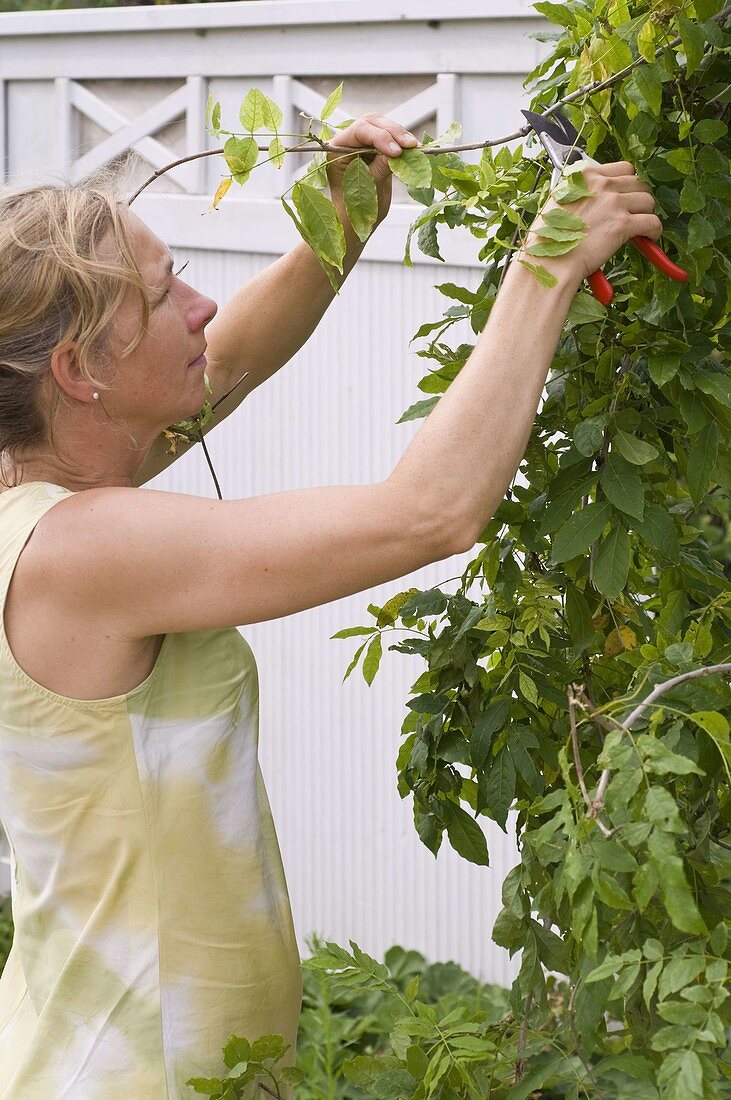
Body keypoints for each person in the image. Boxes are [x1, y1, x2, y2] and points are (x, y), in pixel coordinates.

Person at [0, 107, 661, 1097]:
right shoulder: (82, 550)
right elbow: (428, 512)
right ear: (79, 372)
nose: (202, 304)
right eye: (162, 290)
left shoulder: (51, 471)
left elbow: (234, 355)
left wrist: (339, 218)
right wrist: (551, 256)